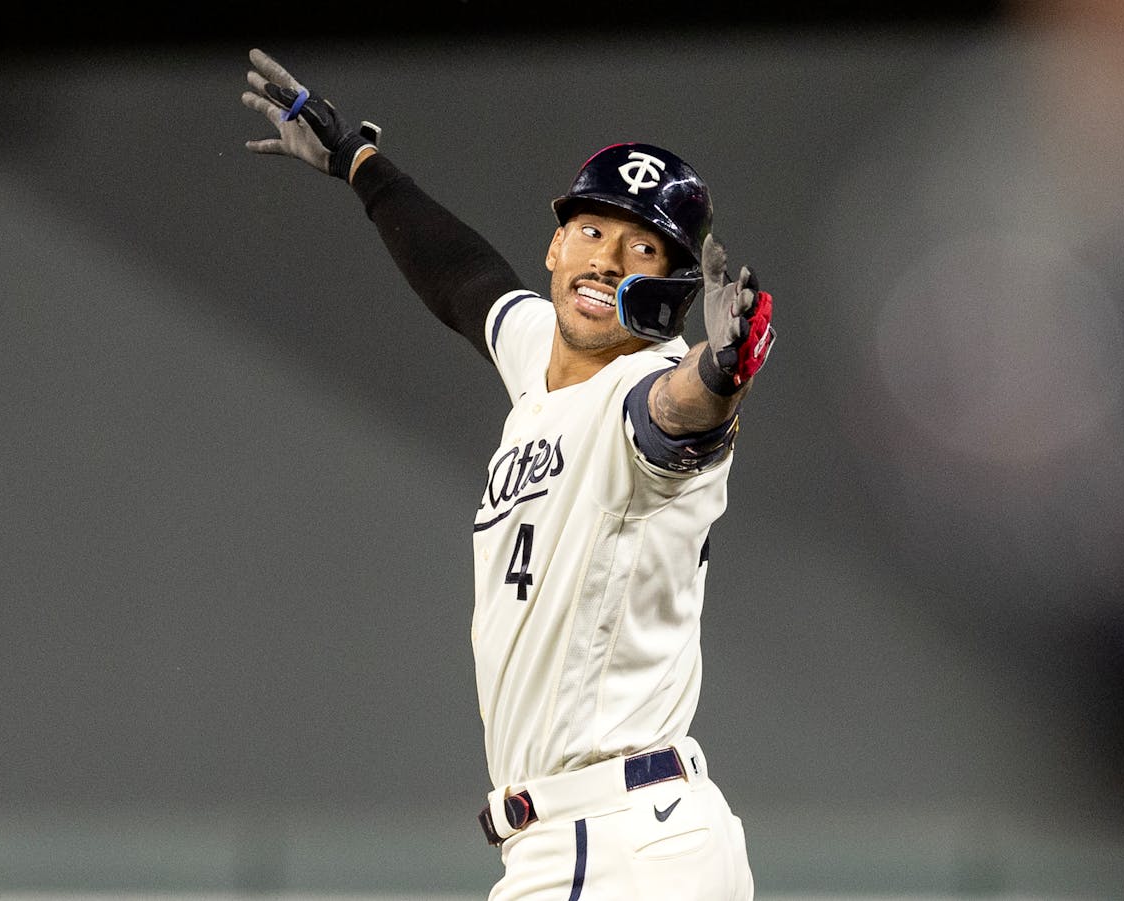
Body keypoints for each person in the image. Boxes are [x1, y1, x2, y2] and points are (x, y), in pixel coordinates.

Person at [240, 47, 774, 900]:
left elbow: (678, 413)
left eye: (642, 248)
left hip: (618, 844)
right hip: (605, 840)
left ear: (673, 291)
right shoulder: (544, 361)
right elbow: (466, 281)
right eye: (593, 230)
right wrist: (359, 163)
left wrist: (723, 371)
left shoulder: (637, 386)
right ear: (556, 244)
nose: (606, 258)